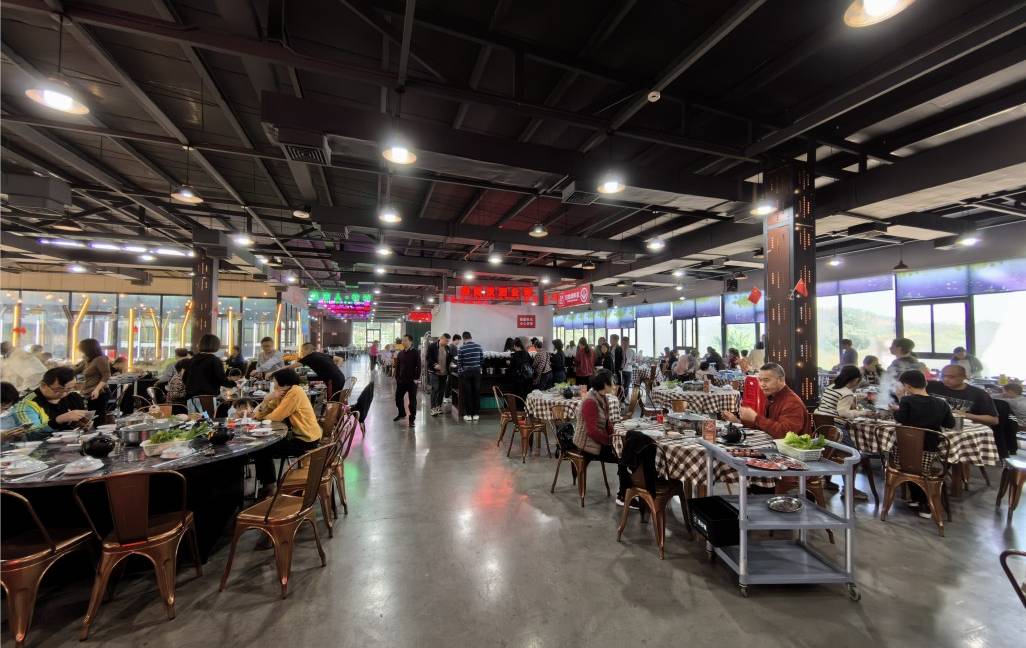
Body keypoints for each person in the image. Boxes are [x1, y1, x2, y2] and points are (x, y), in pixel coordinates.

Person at [892, 370, 956, 518]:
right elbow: (950, 424)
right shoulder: (941, 403)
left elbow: (901, 419)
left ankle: (924, 503)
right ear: (925, 383)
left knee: (909, 468)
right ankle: (918, 500)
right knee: (923, 472)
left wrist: (900, 401)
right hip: (931, 451)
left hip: (908, 451)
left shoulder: (907, 401)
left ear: (907, 386)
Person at [252, 369, 322, 497]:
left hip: (306, 439)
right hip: (296, 436)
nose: (273, 384)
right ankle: (267, 485)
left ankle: (269, 486)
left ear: (283, 383)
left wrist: (264, 415)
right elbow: (258, 415)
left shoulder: (295, 392)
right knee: (262, 448)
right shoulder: (282, 394)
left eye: (274, 381)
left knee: (263, 449)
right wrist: (266, 400)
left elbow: (275, 417)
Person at [576, 368, 632, 505]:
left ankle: (631, 491)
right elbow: (592, 432)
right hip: (587, 445)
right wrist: (609, 442)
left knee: (627, 451)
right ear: (604, 384)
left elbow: (607, 422)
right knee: (623, 458)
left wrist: (614, 437)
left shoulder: (602, 398)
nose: (614, 385)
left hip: (598, 441)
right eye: (612, 382)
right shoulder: (590, 401)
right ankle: (623, 496)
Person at [721, 363, 812, 439]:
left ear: (781, 380)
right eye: (760, 380)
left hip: (792, 451)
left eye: (766, 380)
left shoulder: (792, 402)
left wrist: (755, 418)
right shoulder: (771, 396)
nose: (762, 384)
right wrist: (737, 421)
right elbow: (765, 426)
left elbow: (784, 433)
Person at [9, 367, 92, 440]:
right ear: (43, 385)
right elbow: (31, 433)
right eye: (59, 389)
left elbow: (80, 424)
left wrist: (83, 423)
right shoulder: (26, 404)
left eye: (69, 389)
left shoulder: (74, 397)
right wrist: (58, 420)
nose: (64, 393)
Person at [926, 364, 998, 426]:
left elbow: (994, 420)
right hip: (935, 424)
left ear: (964, 377)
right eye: (943, 376)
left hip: (962, 428)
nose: (946, 379)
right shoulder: (932, 386)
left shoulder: (978, 394)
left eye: (951, 377)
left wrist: (967, 415)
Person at [184, 334, 236, 400]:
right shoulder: (214, 360)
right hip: (207, 398)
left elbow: (184, 379)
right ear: (216, 345)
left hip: (190, 398)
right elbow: (221, 380)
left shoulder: (192, 359)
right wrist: (234, 384)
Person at [74, 338, 111, 421]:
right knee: (92, 418)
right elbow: (76, 371)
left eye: (82, 350)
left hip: (99, 393)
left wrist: (97, 390)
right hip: (89, 392)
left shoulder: (100, 359)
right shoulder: (89, 360)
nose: (82, 352)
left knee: (98, 418)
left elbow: (106, 375)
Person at [393, 334, 421, 426]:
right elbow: (398, 367)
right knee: (398, 398)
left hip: (412, 381)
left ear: (410, 341)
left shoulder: (415, 352)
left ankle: (412, 419)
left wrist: (416, 378)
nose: (403, 342)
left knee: (412, 401)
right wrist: (397, 378)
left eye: (405, 340)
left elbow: (419, 366)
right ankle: (402, 413)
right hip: (401, 381)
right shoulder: (400, 353)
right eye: (403, 340)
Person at [456, 331, 483, 421]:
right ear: (471, 337)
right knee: (476, 392)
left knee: (467, 393)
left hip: (466, 372)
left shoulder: (461, 348)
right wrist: (479, 368)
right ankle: (476, 414)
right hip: (477, 371)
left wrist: (461, 372)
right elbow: (482, 359)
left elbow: (459, 362)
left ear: (463, 339)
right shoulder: (478, 346)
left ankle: (468, 415)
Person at [426, 333, 451, 417]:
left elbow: (449, 358)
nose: (447, 342)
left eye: (448, 341)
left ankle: (438, 407)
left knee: (442, 390)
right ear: (441, 338)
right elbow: (428, 358)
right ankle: (433, 408)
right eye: (446, 341)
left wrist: (450, 363)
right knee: (435, 388)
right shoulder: (432, 346)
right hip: (434, 372)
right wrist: (435, 364)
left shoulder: (447, 348)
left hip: (444, 372)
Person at [508, 337, 534, 405]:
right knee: (526, 394)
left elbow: (511, 368)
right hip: (528, 378)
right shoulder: (526, 353)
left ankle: (520, 408)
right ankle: (526, 407)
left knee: (519, 395)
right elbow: (531, 363)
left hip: (518, 379)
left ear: (515, 346)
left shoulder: (515, 355)